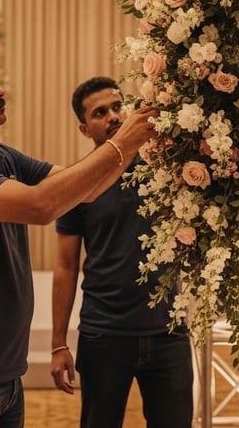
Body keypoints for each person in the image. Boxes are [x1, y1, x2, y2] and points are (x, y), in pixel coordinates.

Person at [0, 45, 157, 428]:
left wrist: (133, 142)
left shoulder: (0, 156)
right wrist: (123, 143)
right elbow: (42, 206)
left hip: (3, 373)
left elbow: (85, 191)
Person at [49, 76, 193, 428]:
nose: (113, 116)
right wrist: (58, 343)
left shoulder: (170, 169)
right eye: (100, 112)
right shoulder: (78, 183)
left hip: (168, 334)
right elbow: (66, 266)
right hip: (104, 335)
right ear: (85, 128)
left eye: (117, 106)